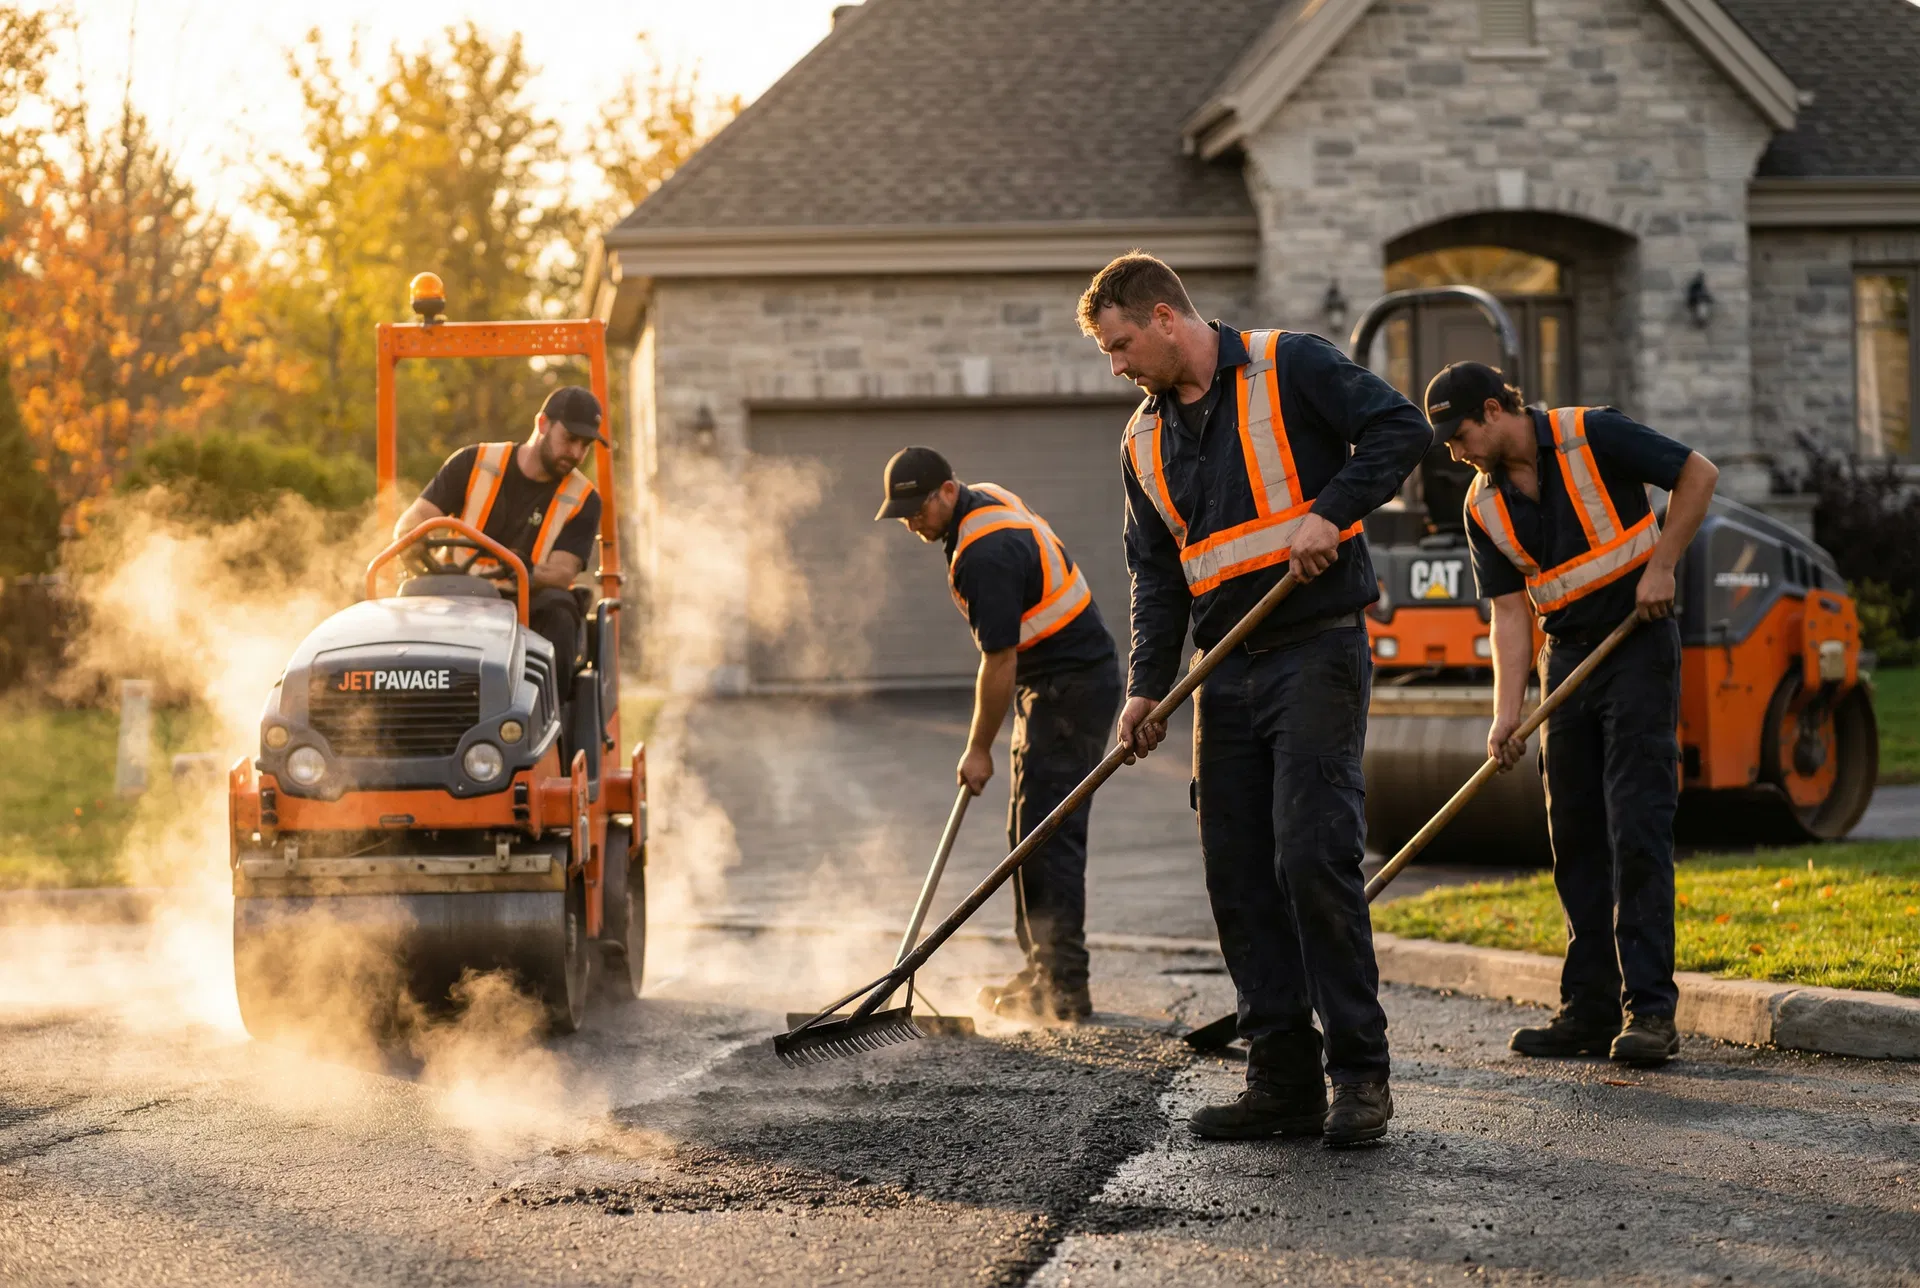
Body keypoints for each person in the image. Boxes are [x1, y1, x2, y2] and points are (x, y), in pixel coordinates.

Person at [1081, 252, 1429, 1147]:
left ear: (1164, 317)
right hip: (1222, 673)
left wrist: (1332, 511)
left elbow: (1401, 429)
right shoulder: (1141, 442)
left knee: (1311, 856)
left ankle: (1360, 1074)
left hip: (1314, 650)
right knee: (1235, 873)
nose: (1115, 367)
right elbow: (1157, 576)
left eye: (1121, 346)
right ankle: (1282, 1080)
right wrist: (1146, 689)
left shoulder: (1290, 364)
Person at [1427, 361, 1718, 1066]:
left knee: (1637, 826)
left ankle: (1650, 1013)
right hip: (1566, 661)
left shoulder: (1593, 433)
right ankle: (1588, 1010)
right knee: (1576, 835)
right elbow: (1508, 613)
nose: (1456, 452)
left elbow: (1697, 474)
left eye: (1460, 435)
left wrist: (1662, 566)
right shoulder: (1481, 506)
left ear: (1494, 410)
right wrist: (1506, 714)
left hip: (1637, 643)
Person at [877, 446, 1122, 1023]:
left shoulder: (983, 552)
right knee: (1028, 833)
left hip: (1068, 691)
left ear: (947, 490)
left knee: (1048, 838)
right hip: (1058, 684)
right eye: (902, 515)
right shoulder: (983, 500)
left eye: (917, 509)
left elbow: (999, 660)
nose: (911, 523)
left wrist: (978, 749)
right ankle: (1042, 970)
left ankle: (1063, 986)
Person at [395, 386, 606, 695]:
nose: (576, 453)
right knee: (393, 613)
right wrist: (412, 541)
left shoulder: (585, 499)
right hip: (453, 593)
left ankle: (548, 714)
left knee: (561, 613)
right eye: (570, 439)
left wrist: (525, 569)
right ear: (542, 424)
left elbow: (562, 573)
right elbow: (412, 523)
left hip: (525, 604)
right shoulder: (473, 462)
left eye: (585, 445)